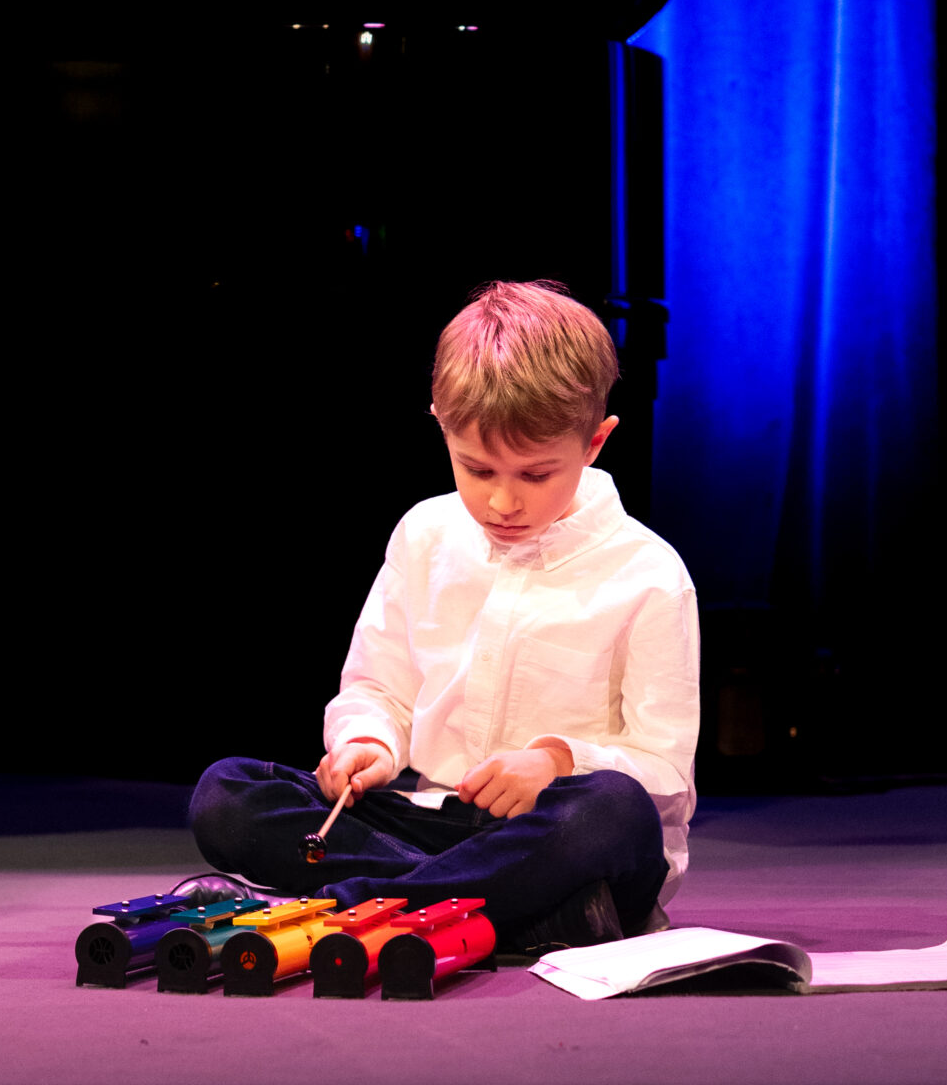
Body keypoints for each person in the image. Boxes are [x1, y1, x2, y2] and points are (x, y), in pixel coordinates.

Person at [190, 278, 699, 949]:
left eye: (535, 475)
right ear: (440, 424)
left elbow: (663, 770)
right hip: (430, 824)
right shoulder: (424, 534)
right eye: (477, 470)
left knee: (611, 811)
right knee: (227, 793)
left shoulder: (649, 574)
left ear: (595, 442)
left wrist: (554, 762)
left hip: (552, 833)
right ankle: (510, 913)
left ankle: (362, 905)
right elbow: (379, 689)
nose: (502, 503)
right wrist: (368, 743)